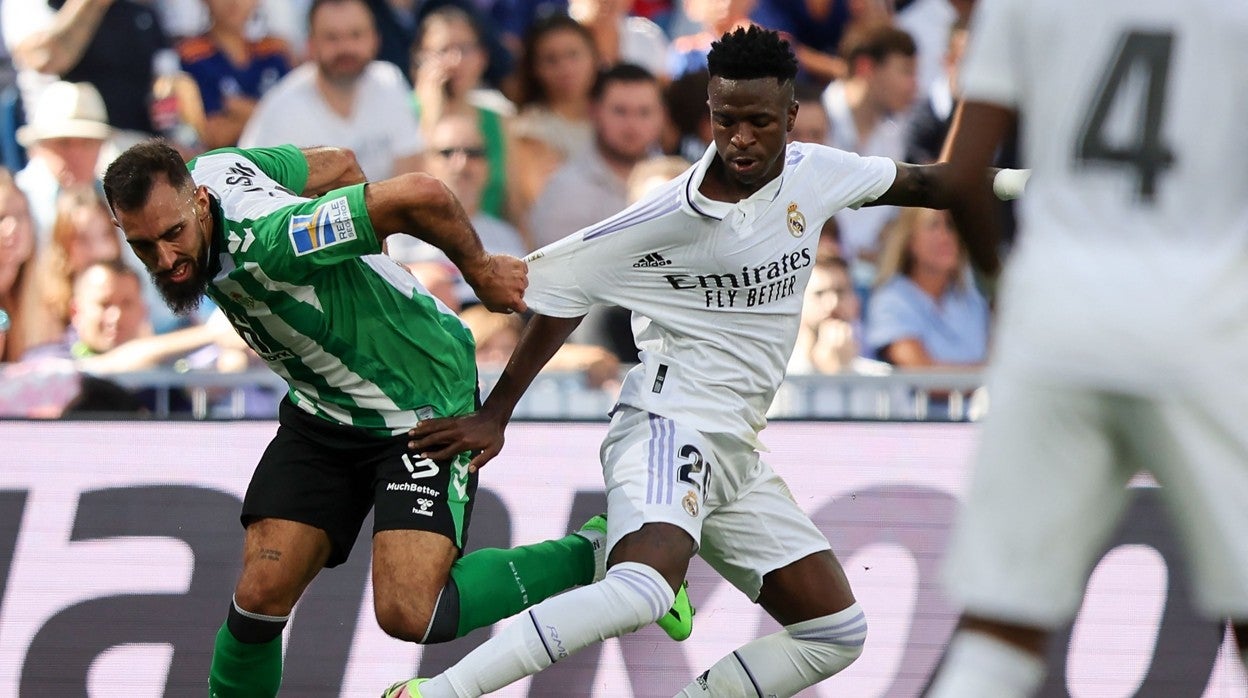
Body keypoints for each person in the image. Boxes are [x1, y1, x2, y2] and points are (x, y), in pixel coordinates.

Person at [390, 25, 1023, 698]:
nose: (740, 138)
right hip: (668, 423)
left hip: (735, 452)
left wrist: (1037, 181)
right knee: (642, 591)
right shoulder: (669, 214)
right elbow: (562, 293)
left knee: (835, 631)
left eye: (758, 122)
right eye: (726, 121)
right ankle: (434, 693)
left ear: (791, 116)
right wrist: (496, 413)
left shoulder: (818, 172)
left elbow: (936, 181)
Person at [100, 139, 657, 697]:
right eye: (143, 245)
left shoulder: (278, 240)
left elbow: (422, 194)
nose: (166, 260)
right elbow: (340, 163)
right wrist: (369, 264)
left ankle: (595, 552)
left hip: (417, 401)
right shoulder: (216, 167)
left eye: (174, 234)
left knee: (411, 611)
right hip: (324, 407)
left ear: (199, 201)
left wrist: (481, 270)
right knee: (259, 597)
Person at [927, 0, 1248, 695]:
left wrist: (1002, 286)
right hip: (1202, 321)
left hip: (1055, 318)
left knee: (999, 631)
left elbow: (961, 174)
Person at [239, 0, 424, 180]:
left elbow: (410, 168)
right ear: (311, 45)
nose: (345, 47)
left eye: (356, 35)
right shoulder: (281, 109)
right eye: (332, 37)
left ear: (375, 39)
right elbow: (249, 182)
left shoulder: (389, 81)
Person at [864, 206, 988, 368]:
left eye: (951, 225)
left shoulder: (972, 300)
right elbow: (920, 370)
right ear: (909, 239)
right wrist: (987, 373)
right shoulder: (890, 300)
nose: (945, 236)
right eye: (933, 225)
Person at [177, 0, 293, 149]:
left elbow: (294, 117)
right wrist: (270, 115)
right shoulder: (192, 56)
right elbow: (215, 135)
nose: (233, 2)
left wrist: (244, 111)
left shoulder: (274, 52)